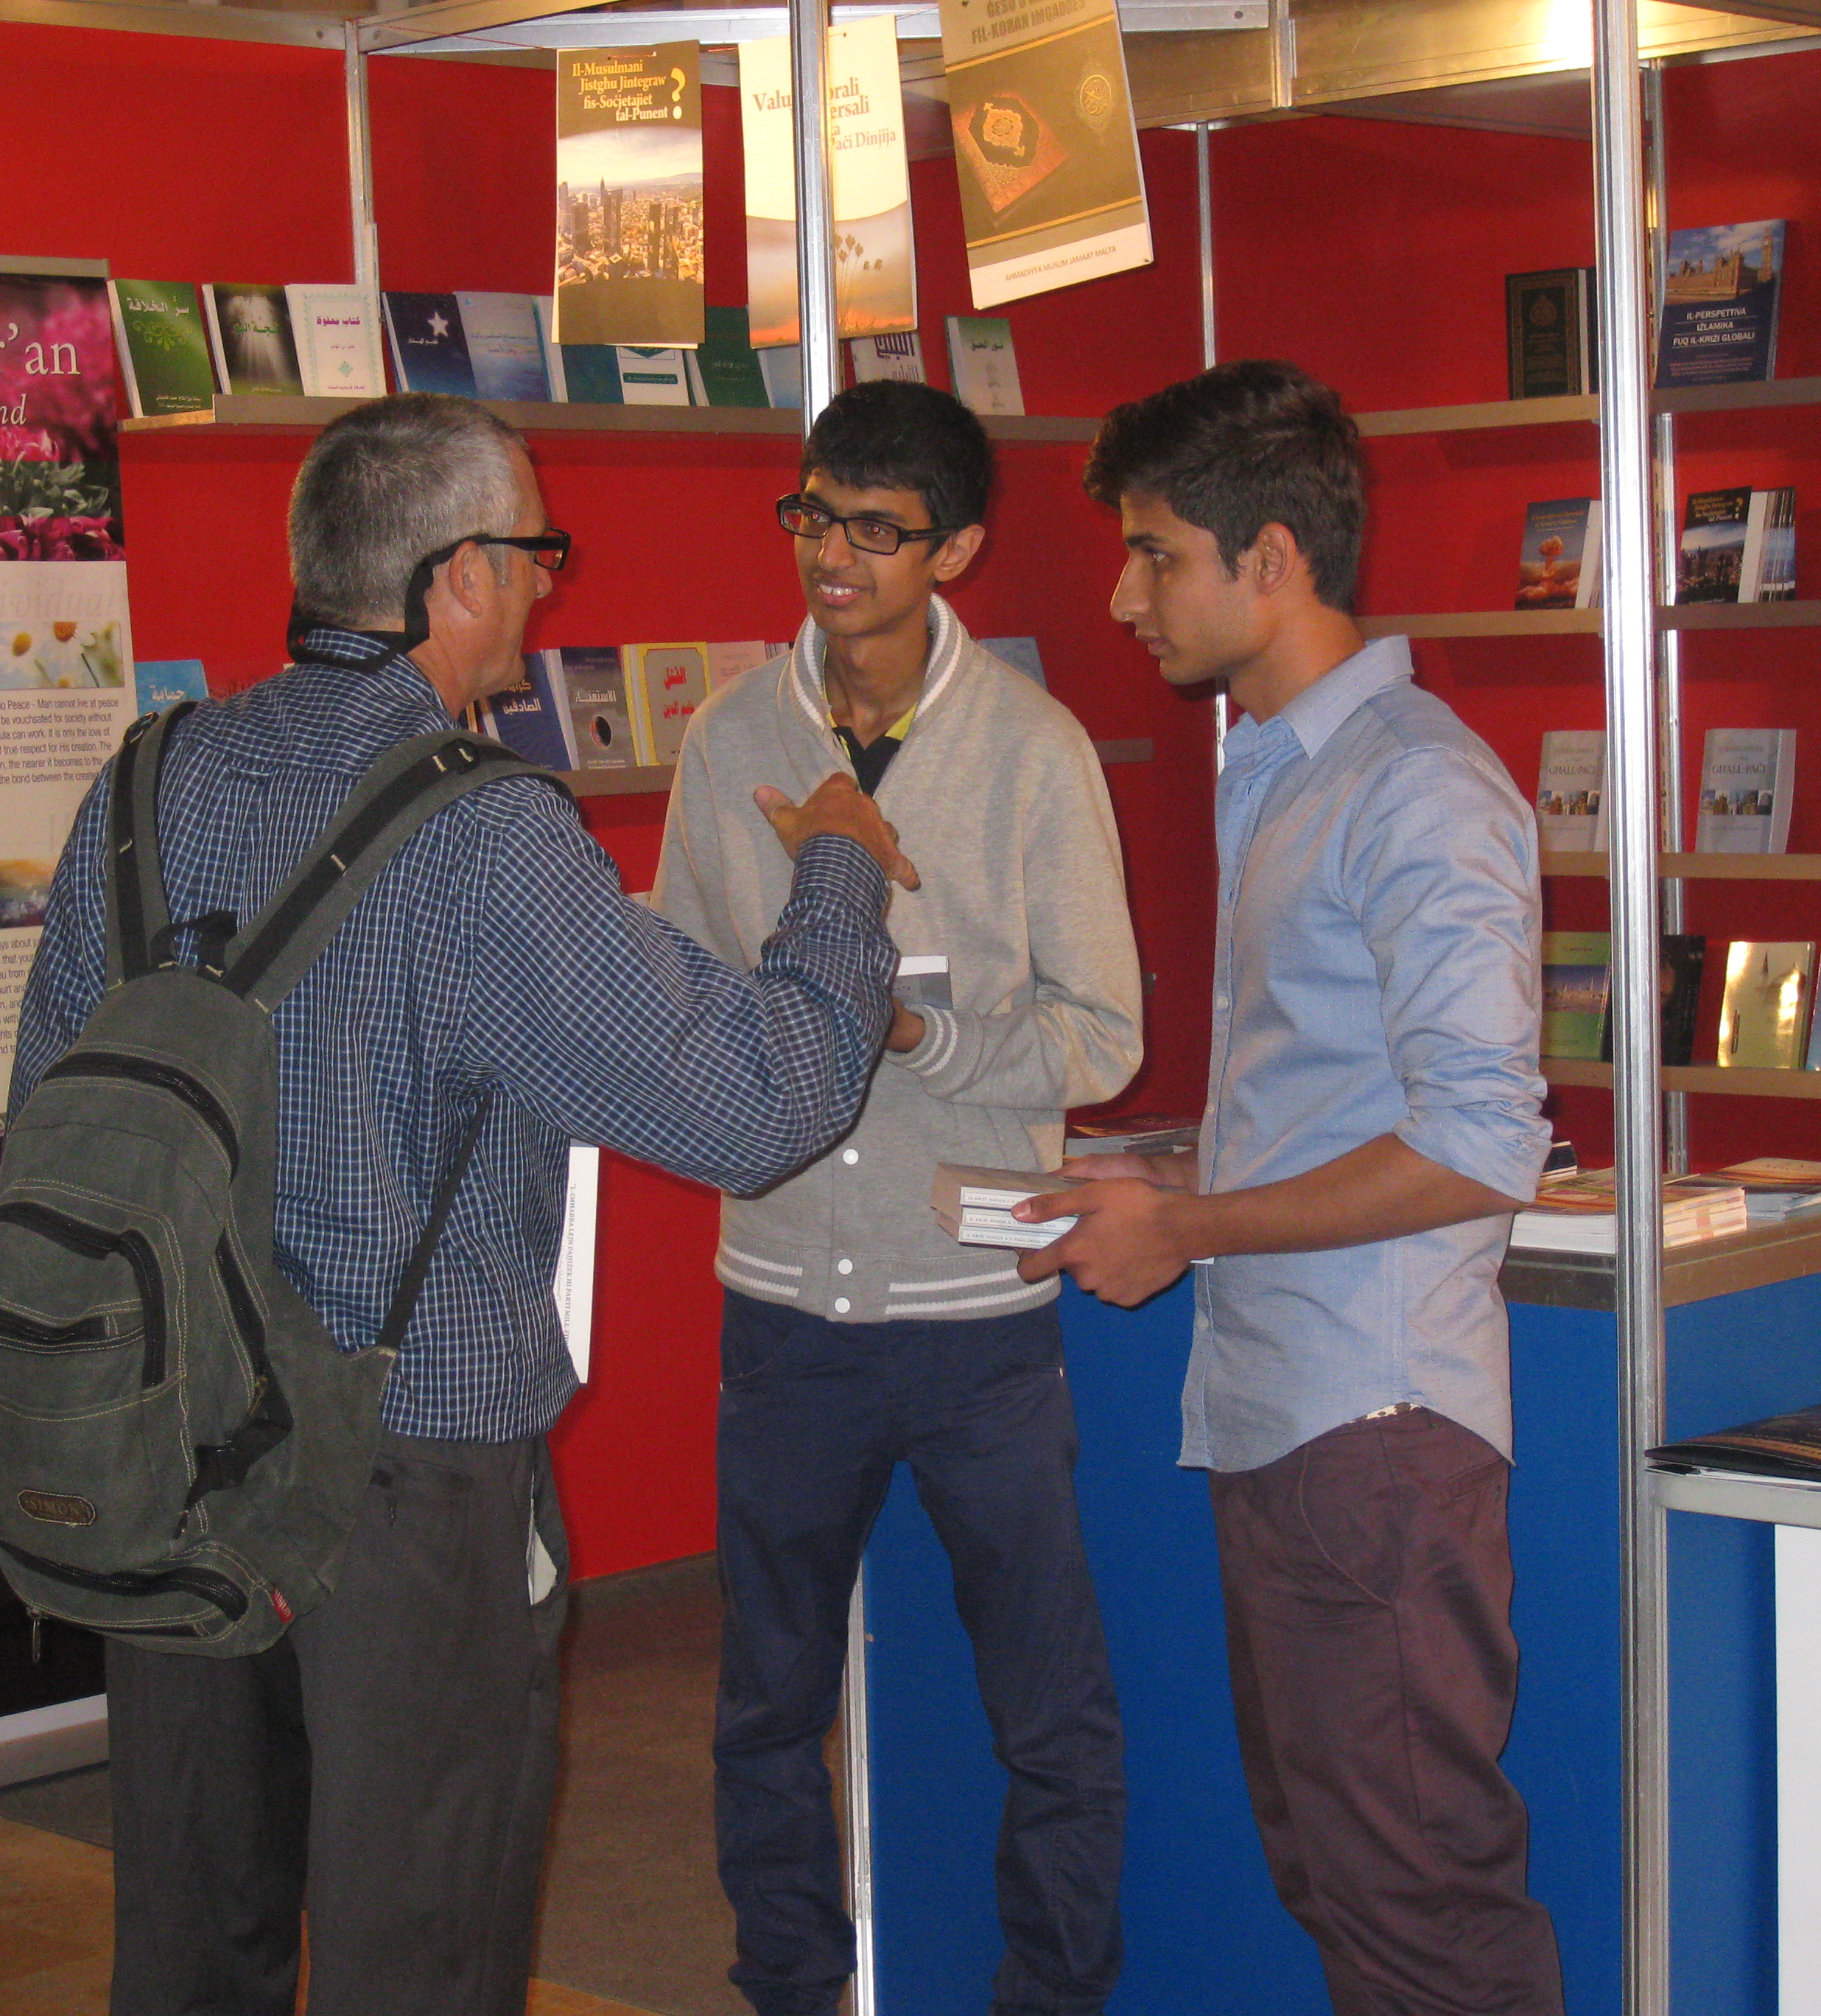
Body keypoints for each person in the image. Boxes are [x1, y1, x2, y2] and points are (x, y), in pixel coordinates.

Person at [8, 392, 919, 2016]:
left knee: (192, 1941)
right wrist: (840, 869)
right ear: (460, 577)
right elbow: (753, 1107)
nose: (546, 589)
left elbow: (48, 1112)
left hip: (164, 1441)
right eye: (536, 554)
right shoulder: (483, 830)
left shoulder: (147, 782)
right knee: (419, 1942)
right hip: (406, 1477)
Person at [1020, 360, 1565, 2015]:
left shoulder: (1417, 786)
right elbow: (1340, 1099)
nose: (1124, 598)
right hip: (1292, 1419)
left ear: (1270, 560)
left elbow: (1479, 1140)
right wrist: (1158, 1172)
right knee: (1345, 1877)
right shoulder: (1280, 766)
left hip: (1373, 1427)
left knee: (1416, 1900)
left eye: (1155, 554)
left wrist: (1185, 1225)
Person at [653, 379, 1143, 2016]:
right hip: (785, 1310)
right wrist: (771, 1018)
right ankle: (790, 1990)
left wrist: (919, 1030)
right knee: (764, 1709)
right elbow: (679, 999)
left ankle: (1049, 1998)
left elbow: (1105, 1037)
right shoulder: (731, 738)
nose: (833, 556)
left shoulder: (1031, 749)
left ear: (958, 551)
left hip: (978, 1322)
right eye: (813, 516)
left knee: (1049, 1713)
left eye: (876, 528)